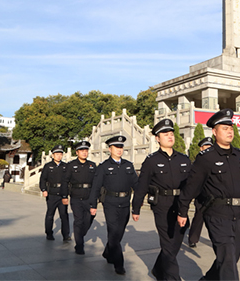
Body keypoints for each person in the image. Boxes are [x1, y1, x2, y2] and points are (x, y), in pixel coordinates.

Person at [177, 109, 240, 281]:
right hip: (216, 215)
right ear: (214, 132)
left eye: (231, 128)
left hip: (238, 216)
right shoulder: (206, 158)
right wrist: (182, 210)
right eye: (224, 128)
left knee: (230, 257)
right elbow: (191, 186)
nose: (229, 131)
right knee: (227, 257)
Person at [132, 119, 191, 281]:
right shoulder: (151, 161)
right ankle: (172, 278)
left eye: (171, 133)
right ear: (157, 138)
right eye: (165, 134)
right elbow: (142, 186)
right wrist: (136, 207)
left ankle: (159, 268)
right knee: (167, 243)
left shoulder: (184, 159)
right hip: (162, 206)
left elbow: (193, 184)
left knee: (174, 243)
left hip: (181, 205)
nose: (170, 136)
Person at [89, 135, 138, 275]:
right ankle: (119, 263)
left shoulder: (128, 165)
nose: (119, 150)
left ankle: (107, 252)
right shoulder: (103, 167)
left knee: (119, 232)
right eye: (116, 147)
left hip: (125, 203)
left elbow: (137, 185)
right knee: (114, 233)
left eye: (121, 147)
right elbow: (96, 188)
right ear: (110, 149)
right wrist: (93, 205)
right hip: (110, 203)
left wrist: (138, 204)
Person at [63, 141, 97, 254]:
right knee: (79, 220)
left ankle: (80, 234)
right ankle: (79, 245)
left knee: (89, 218)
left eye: (86, 150)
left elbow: (97, 183)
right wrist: (65, 195)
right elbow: (65, 181)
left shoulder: (92, 165)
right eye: (82, 151)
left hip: (89, 197)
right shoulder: (71, 165)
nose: (84, 153)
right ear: (77, 152)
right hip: (76, 197)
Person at [39, 145, 70, 242]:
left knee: (64, 215)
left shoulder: (65, 166)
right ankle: (49, 233)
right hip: (51, 194)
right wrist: (44, 190)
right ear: (53, 155)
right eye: (57, 154)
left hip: (62, 194)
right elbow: (43, 179)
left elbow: (69, 180)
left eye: (60, 154)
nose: (59, 156)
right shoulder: (48, 166)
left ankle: (66, 235)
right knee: (50, 214)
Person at [188, 136, 214, 248]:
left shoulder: (216, 160)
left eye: (210, 147)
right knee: (199, 217)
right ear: (201, 148)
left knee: (215, 220)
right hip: (201, 196)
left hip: (214, 196)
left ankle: (217, 240)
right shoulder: (198, 161)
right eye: (206, 147)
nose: (208, 149)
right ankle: (193, 238)